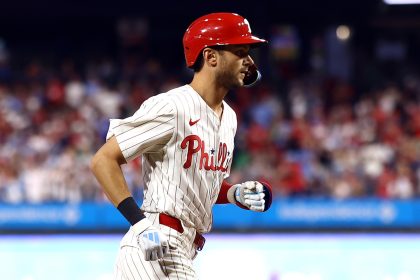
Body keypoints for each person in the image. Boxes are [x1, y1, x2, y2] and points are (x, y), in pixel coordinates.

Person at [90, 12, 273, 280]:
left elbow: (203, 184)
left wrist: (234, 193)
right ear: (211, 57)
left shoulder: (230, 117)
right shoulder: (172, 106)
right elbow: (103, 160)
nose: (249, 61)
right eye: (240, 51)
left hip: (184, 247)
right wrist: (140, 224)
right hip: (156, 244)